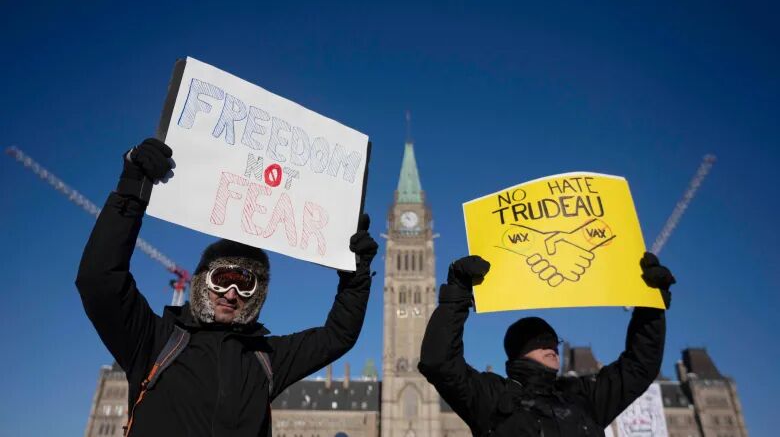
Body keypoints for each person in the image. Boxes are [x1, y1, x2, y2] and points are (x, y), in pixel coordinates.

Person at [76, 138, 377, 437]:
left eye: (245, 284)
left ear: (256, 297)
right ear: (202, 282)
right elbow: (99, 280)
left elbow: (338, 336)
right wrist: (133, 188)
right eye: (222, 279)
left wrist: (355, 276)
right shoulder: (154, 343)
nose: (231, 293)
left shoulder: (266, 359)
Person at [418, 253, 675, 437]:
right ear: (518, 352)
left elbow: (640, 367)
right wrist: (457, 294)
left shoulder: (583, 396)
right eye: (539, 340)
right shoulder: (493, 398)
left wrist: (650, 308)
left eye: (554, 341)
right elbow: (439, 363)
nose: (551, 346)